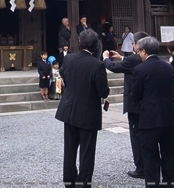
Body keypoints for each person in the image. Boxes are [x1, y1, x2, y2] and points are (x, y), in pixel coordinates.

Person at [55, 29, 109, 188]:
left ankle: (69, 180)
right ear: (95, 45)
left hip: (69, 109)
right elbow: (103, 91)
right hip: (88, 111)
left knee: (70, 148)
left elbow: (64, 76)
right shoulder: (97, 65)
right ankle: (83, 183)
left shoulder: (69, 59)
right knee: (87, 150)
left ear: (79, 43)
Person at [131, 36, 174, 188]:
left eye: (139, 51)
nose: (138, 54)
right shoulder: (168, 67)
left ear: (144, 51)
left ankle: (153, 185)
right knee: (170, 154)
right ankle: (170, 183)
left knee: (150, 155)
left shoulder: (140, 69)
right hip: (170, 115)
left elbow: (135, 95)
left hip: (150, 117)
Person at [102, 31, 148, 179]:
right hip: (148, 102)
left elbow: (113, 67)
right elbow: (128, 63)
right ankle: (149, 164)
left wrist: (105, 58)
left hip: (135, 103)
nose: (133, 45)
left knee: (136, 136)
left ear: (138, 45)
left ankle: (141, 167)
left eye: (134, 43)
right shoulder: (148, 58)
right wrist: (121, 57)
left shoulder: (134, 59)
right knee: (148, 135)